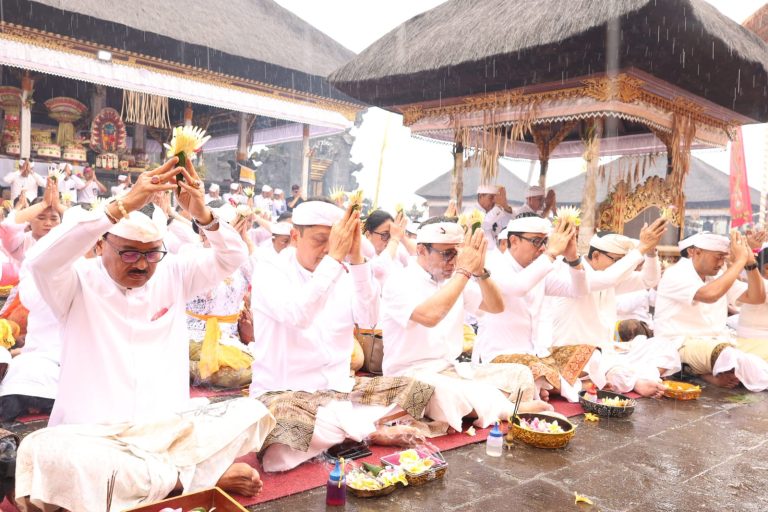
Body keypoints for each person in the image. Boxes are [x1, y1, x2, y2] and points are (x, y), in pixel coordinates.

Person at [16, 157, 275, 511]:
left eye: (152, 254)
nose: (141, 264)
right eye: (129, 253)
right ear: (99, 245)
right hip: (96, 437)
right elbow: (41, 260)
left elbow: (231, 255)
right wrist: (123, 204)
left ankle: (165, 479)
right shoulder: (75, 282)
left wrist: (203, 213)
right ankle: (191, 479)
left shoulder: (173, 272)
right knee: (40, 451)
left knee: (253, 411)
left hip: (165, 432)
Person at [249, 199, 434, 472]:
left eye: (335, 241)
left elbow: (369, 319)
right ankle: (368, 431)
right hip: (285, 395)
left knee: (418, 391)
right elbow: (299, 315)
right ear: (294, 236)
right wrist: (335, 258)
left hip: (338, 393)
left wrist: (357, 258)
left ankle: (349, 432)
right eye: (321, 240)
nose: (327, 249)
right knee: (283, 431)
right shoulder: (270, 272)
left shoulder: (343, 274)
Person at [381, 219, 549, 433]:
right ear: (421, 250)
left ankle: (488, 405)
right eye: (446, 254)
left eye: (457, 253)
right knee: (443, 391)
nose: (453, 261)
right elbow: (430, 316)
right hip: (408, 375)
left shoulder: (454, 280)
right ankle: (509, 409)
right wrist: (463, 273)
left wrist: (480, 273)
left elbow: (496, 306)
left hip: (451, 369)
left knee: (520, 374)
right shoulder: (399, 281)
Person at [475, 215, 598, 401]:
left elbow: (579, 291)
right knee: (533, 369)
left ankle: (546, 386)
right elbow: (519, 288)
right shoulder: (493, 264)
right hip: (498, 357)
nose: (542, 248)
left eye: (545, 241)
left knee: (591, 353)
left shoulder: (539, 267)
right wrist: (551, 254)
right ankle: (550, 386)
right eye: (536, 241)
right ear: (514, 240)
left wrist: (572, 258)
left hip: (535, 354)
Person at [551, 223, 679, 397]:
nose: (623, 267)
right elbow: (609, 278)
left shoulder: (608, 276)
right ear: (595, 255)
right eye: (618, 261)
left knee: (665, 348)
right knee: (597, 361)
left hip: (607, 353)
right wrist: (640, 248)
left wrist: (650, 251)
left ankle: (619, 380)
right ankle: (632, 381)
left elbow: (649, 280)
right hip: (575, 354)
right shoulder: (573, 274)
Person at [654, 232, 768, 390]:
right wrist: (739, 260)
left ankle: (706, 373)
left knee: (746, 360)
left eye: (724, 257)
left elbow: (756, 297)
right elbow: (710, 295)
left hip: (714, 344)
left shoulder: (717, 276)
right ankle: (701, 372)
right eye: (718, 257)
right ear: (695, 252)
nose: (721, 263)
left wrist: (750, 264)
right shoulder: (676, 273)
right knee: (728, 354)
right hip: (678, 345)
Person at [362, 209, 414, 287]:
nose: (389, 239)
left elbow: (418, 254)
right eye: (385, 235)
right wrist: (395, 238)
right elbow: (379, 268)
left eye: (391, 234)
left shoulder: (398, 252)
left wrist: (402, 237)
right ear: (368, 234)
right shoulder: (361, 256)